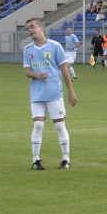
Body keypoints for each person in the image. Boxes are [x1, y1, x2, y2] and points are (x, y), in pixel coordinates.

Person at [24, 18, 78, 170]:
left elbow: (64, 70)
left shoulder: (55, 46)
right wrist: (36, 75)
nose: (30, 30)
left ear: (41, 28)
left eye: (32, 27)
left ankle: (66, 158)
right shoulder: (28, 49)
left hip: (54, 94)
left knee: (60, 126)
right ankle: (36, 160)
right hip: (36, 95)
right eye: (28, 28)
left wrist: (71, 92)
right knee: (38, 124)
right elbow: (27, 71)